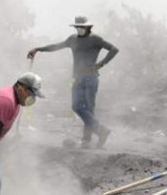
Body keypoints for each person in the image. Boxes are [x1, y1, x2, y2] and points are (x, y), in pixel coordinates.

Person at [27, 16, 119, 149]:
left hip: (91, 77)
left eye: (82, 27)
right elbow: (56, 46)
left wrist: (101, 64)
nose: (79, 29)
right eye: (77, 27)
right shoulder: (72, 39)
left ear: (88, 27)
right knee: (76, 106)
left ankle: (86, 140)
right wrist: (38, 49)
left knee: (89, 107)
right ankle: (101, 131)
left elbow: (114, 49)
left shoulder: (95, 39)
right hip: (77, 77)